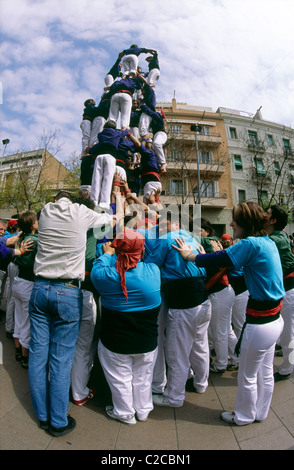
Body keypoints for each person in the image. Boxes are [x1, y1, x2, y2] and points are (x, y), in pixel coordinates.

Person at [173, 201, 285, 425]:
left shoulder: (251, 243)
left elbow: (220, 259)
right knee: (264, 372)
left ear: (245, 222)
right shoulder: (266, 242)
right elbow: (230, 261)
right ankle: (260, 413)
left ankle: (243, 416)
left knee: (248, 375)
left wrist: (189, 255)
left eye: (235, 219)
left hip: (261, 323)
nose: (231, 223)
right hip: (274, 320)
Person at [28, 191, 121, 437]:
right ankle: (58, 421)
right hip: (67, 291)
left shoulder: (46, 211)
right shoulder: (81, 212)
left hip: (39, 289)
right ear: (74, 202)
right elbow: (110, 221)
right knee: (61, 359)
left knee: (38, 356)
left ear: (56, 200)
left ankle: (42, 415)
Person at [91, 229, 161, 425]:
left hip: (115, 342)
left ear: (117, 248)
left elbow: (97, 269)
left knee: (120, 377)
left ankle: (124, 412)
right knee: (143, 377)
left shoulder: (105, 275)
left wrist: (107, 253)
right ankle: (143, 410)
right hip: (147, 342)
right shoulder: (153, 272)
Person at [145, 212, 211, 407]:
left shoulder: (167, 239)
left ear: (175, 223)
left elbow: (151, 266)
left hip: (184, 303)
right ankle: (201, 383)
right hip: (203, 301)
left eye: (162, 222)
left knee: (177, 352)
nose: (159, 227)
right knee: (200, 345)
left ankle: (174, 397)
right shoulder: (194, 239)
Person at [267, 205, 294, 382]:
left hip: (289, 289)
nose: (264, 215)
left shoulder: (275, 239)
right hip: (287, 288)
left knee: (288, 333)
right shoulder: (277, 236)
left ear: (273, 220)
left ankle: (286, 369)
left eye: (267, 213)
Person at [12, 211, 38, 369]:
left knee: (19, 318)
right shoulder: (35, 240)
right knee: (27, 323)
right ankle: (25, 356)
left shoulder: (20, 238)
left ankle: (17, 349)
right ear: (33, 224)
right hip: (29, 283)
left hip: (18, 280)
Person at [86, 121, 131, 210]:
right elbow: (124, 133)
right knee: (107, 179)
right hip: (110, 157)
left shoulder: (101, 134)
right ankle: (104, 203)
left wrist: (90, 150)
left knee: (96, 179)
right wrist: (127, 129)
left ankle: (94, 201)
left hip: (99, 157)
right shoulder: (116, 133)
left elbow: (95, 148)